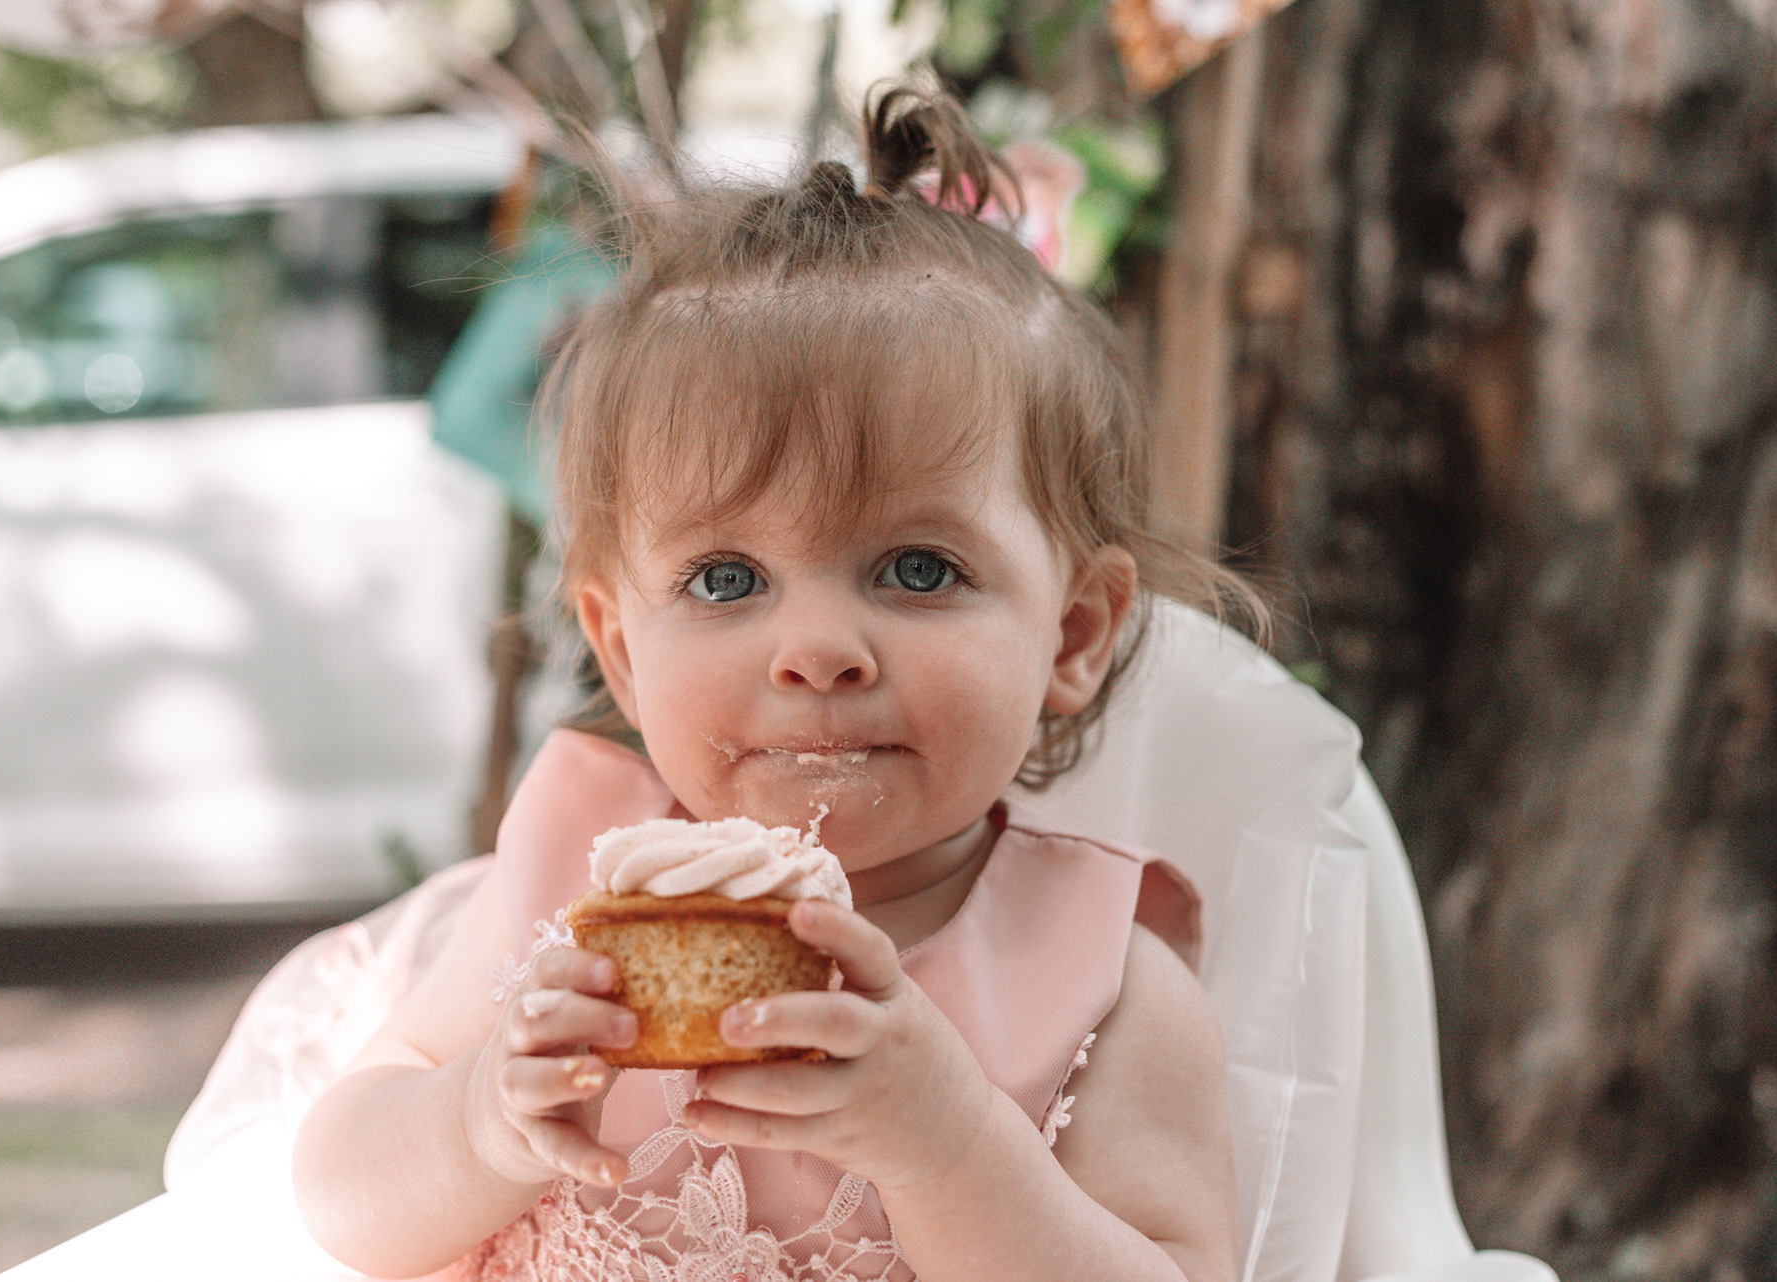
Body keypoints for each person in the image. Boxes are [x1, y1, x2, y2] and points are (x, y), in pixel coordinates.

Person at [292, 87, 1250, 1282]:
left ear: (1073, 633)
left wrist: (951, 1147)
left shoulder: (1102, 978)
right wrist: (482, 1120)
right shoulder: (573, 887)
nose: (818, 649)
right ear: (621, 648)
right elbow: (340, 1192)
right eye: (726, 578)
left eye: (917, 568)